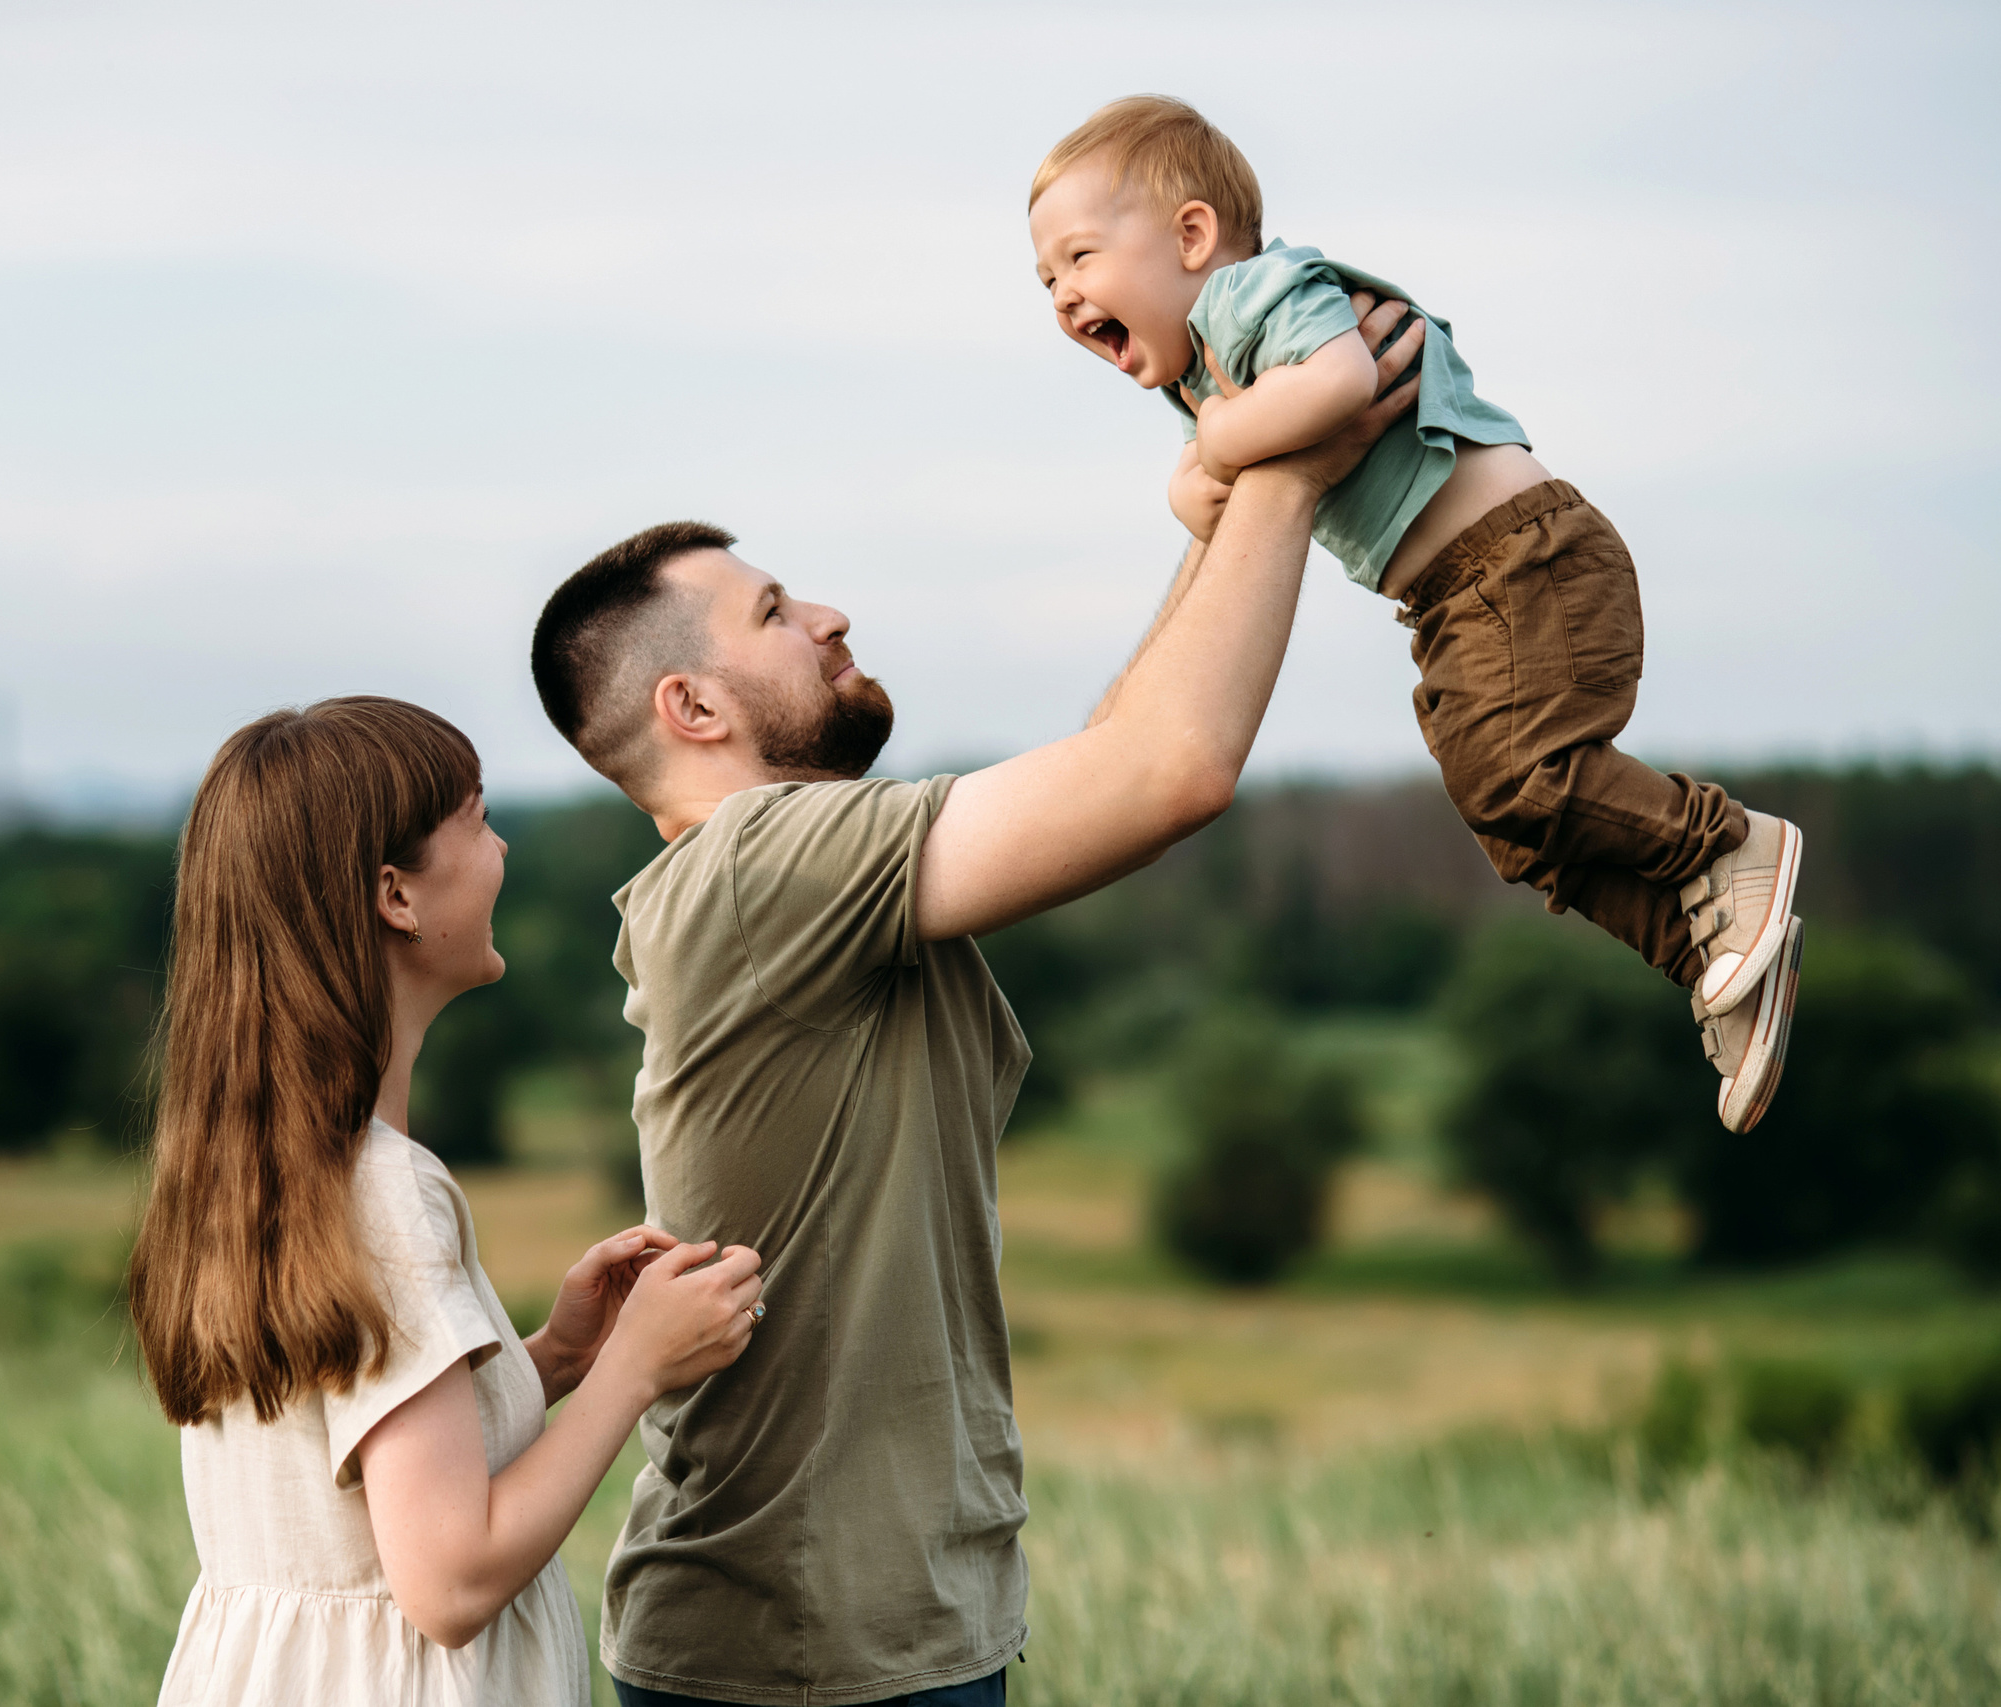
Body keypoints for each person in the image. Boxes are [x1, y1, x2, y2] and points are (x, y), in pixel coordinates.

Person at [526, 295, 1424, 1705]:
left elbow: (1116, 747)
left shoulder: (798, 881)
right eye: (775, 609)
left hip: (884, 1627)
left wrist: (1222, 507)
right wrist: (1294, 471)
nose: (827, 614)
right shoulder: (757, 868)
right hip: (801, 1652)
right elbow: (1166, 769)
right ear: (694, 709)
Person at [1027, 94, 1805, 1133]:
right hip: (1454, 602)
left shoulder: (1263, 295)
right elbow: (1209, 492)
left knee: (1524, 777)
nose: (1062, 295)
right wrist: (1201, 461)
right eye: (1044, 280)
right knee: (1512, 824)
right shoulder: (1207, 378)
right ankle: (1708, 948)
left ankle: (1719, 845)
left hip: (1526, 560)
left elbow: (1343, 379)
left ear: (1191, 235)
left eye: (1078, 258)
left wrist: (1216, 450)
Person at [129, 695, 766, 1707]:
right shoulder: (387, 1192)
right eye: (476, 819)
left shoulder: (250, 1167)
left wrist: (551, 1359)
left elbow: (370, 1463)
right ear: (396, 895)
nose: (503, 847)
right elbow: (450, 1581)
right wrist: (634, 1371)